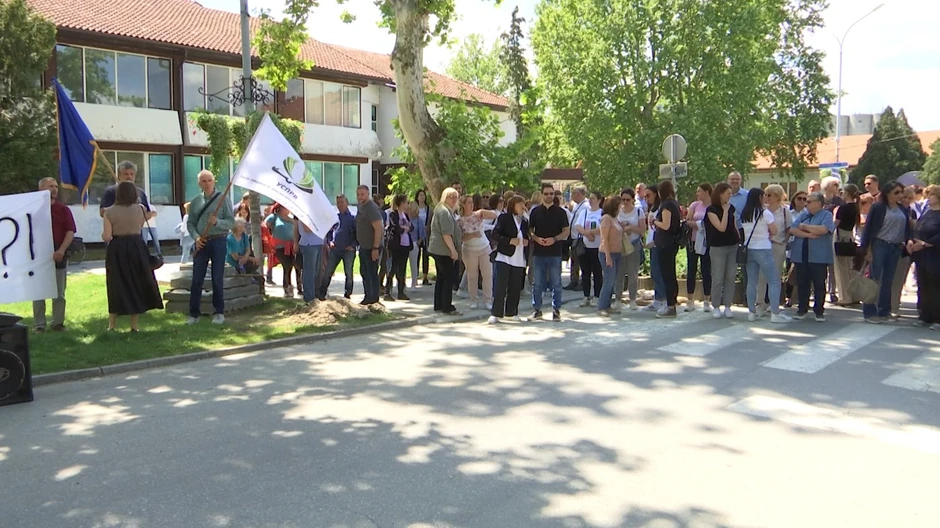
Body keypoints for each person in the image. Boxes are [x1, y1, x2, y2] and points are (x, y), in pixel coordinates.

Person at [102, 181, 163, 332]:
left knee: (116, 284)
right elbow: (141, 225)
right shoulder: (141, 209)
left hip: (117, 248)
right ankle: (134, 326)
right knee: (135, 282)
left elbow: (107, 236)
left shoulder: (109, 211)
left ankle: (112, 325)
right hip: (137, 246)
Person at [859, 181, 912, 324]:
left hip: (895, 246)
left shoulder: (902, 209)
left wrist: (909, 241)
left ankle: (884, 311)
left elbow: (907, 228)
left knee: (888, 280)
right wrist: (867, 248)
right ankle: (870, 312)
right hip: (879, 245)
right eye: (896, 192)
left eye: (901, 192)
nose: (900, 195)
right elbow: (869, 228)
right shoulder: (878, 207)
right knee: (875, 279)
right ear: (888, 193)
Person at [186, 170, 234, 325]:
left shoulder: (223, 199)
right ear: (199, 183)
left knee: (217, 277)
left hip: (218, 241)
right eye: (203, 181)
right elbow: (190, 223)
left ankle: (219, 312)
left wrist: (217, 222)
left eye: (209, 180)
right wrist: (196, 237)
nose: (207, 183)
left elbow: (231, 222)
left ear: (214, 181)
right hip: (202, 241)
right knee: (197, 278)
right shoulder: (195, 201)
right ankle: (194, 313)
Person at [32, 177, 76, 333]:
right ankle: (39, 325)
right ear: (41, 188)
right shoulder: (32, 210)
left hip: (58, 252)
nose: (54, 189)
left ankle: (57, 323)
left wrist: (62, 250)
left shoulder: (63, 210)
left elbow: (70, 232)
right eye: (50, 186)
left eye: (56, 186)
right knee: (38, 291)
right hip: (37, 255)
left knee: (59, 292)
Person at [741, 188, 791, 323]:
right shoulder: (765, 213)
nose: (765, 198)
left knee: (752, 281)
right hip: (763, 248)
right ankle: (775, 313)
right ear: (759, 197)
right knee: (774, 280)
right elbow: (774, 230)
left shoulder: (745, 213)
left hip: (749, 248)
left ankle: (752, 312)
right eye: (763, 196)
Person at [529, 182, 571, 322]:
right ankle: (537, 310)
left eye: (551, 194)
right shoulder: (535, 212)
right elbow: (530, 230)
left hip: (555, 251)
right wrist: (536, 238)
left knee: (556, 282)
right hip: (539, 252)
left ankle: (556, 310)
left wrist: (555, 239)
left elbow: (566, 231)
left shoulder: (560, 212)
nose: (549, 196)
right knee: (538, 283)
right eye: (546, 194)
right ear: (542, 195)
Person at [790, 192, 835, 321]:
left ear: (819, 204)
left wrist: (804, 227)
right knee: (802, 282)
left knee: (819, 284)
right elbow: (793, 229)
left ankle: (819, 310)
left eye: (809, 201)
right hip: (801, 254)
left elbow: (824, 229)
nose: (806, 204)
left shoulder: (826, 215)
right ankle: (802, 308)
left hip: (819, 256)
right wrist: (809, 234)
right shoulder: (803, 214)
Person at [99, 160, 159, 254]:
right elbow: (103, 212)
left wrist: (138, 213)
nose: (129, 176)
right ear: (119, 175)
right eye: (125, 174)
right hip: (117, 239)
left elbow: (146, 213)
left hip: (136, 239)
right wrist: (121, 210)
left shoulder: (140, 193)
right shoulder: (111, 192)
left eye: (131, 174)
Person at [489, 195, 529, 324]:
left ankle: (512, 312)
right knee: (500, 286)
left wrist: (527, 241)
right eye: (519, 204)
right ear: (513, 205)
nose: (522, 207)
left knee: (515, 286)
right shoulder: (504, 218)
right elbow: (495, 234)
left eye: (523, 204)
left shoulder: (524, 221)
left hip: (519, 258)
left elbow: (528, 234)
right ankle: (496, 313)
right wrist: (509, 241)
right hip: (505, 256)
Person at [457, 194, 499, 310]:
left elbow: (494, 215)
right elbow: (460, 238)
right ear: (463, 205)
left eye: (472, 202)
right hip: (469, 250)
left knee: (487, 275)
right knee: (472, 276)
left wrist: (482, 211)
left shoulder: (478, 215)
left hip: (484, 247)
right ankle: (473, 299)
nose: (471, 204)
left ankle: (487, 300)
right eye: (468, 202)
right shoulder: (459, 220)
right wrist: (472, 235)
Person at [705, 183, 739, 319]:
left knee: (730, 277)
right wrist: (725, 211)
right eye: (727, 194)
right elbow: (721, 227)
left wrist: (739, 239)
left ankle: (728, 305)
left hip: (732, 245)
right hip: (717, 246)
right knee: (718, 277)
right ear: (720, 194)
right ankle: (716, 305)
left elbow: (734, 225)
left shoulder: (732, 208)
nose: (730, 196)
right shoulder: (711, 210)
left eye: (731, 194)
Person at [909, 185, 940, 330]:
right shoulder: (927, 212)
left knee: (935, 285)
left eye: (932, 195)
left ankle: (937, 318)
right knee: (923, 284)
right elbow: (918, 228)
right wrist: (913, 241)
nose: (929, 198)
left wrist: (926, 243)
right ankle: (924, 314)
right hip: (921, 254)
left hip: (934, 254)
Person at [757, 184, 791, 315]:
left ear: (777, 196)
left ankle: (773, 303)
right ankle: (760, 303)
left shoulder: (784, 211)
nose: (766, 197)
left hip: (778, 245)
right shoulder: (762, 210)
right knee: (761, 275)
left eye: (769, 195)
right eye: (765, 195)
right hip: (763, 245)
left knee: (775, 275)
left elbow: (789, 228)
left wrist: (784, 242)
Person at [428, 187, 462, 315]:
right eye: (450, 197)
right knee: (448, 277)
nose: (453, 199)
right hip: (443, 250)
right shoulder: (444, 212)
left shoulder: (445, 210)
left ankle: (439, 304)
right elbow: (446, 234)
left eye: (455, 197)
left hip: (440, 249)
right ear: (444, 197)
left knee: (441, 278)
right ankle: (447, 306)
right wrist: (453, 251)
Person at [652, 181, 681, 318]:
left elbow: (666, 225)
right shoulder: (674, 203)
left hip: (665, 243)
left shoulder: (667, 205)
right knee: (670, 274)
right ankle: (671, 303)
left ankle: (670, 305)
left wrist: (654, 221)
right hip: (670, 243)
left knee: (667, 275)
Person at [320, 194, 357, 300]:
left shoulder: (353, 218)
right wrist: (330, 241)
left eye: (342, 202)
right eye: (338, 203)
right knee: (328, 271)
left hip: (348, 250)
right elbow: (328, 232)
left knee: (348, 272)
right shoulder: (334, 217)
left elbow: (358, 234)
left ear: (347, 203)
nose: (340, 205)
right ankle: (322, 293)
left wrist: (353, 245)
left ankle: (347, 294)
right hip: (335, 249)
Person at [616, 188, 646, 311]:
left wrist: (630, 228)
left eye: (628, 199)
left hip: (634, 244)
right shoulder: (617, 212)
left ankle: (632, 299)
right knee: (619, 273)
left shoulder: (638, 212)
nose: (625, 202)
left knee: (633, 273)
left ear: (633, 199)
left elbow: (642, 230)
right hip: (620, 244)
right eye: (623, 199)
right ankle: (618, 299)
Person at [573, 191, 604, 307]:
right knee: (585, 273)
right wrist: (586, 233)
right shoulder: (584, 212)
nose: (590, 200)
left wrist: (592, 232)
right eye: (589, 198)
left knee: (597, 273)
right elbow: (578, 226)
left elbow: (604, 227)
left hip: (598, 247)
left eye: (593, 198)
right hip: (585, 247)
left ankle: (597, 296)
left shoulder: (602, 213)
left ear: (599, 200)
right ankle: (586, 296)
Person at [685, 183, 713, 312]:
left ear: (707, 192)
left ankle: (707, 300)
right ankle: (690, 300)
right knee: (691, 269)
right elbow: (688, 221)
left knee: (706, 270)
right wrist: (698, 224)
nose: (697, 193)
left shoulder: (713, 206)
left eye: (699, 191)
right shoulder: (694, 205)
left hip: (707, 242)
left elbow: (712, 223)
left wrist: (699, 225)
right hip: (693, 241)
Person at [356, 185, 384, 305]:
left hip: (372, 247)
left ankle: (374, 299)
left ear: (368, 194)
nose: (360, 197)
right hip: (363, 246)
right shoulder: (360, 207)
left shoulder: (371, 208)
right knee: (364, 271)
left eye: (362, 194)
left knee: (372, 272)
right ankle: (368, 296)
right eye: (358, 194)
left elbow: (378, 228)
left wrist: (375, 248)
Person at [833, 184, 860, 306]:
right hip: (850, 235)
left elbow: (836, 224)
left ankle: (845, 297)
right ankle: (854, 295)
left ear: (847, 193)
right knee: (850, 268)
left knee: (841, 269)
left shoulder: (842, 208)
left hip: (840, 236)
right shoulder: (855, 207)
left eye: (842, 192)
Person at [265, 205, 300, 297]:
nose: (289, 209)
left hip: (292, 245)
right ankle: (287, 286)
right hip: (280, 246)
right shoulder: (274, 217)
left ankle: (299, 287)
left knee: (297, 265)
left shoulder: (292, 219)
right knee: (287, 265)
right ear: (280, 208)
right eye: (286, 207)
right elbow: (265, 226)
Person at [597, 195, 623, 316]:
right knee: (608, 280)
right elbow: (604, 238)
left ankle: (607, 305)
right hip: (607, 253)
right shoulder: (606, 219)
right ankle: (602, 306)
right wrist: (607, 256)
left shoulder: (615, 219)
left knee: (613, 281)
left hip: (617, 253)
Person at [385, 194, 414, 302]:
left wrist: (406, 228)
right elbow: (396, 227)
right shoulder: (394, 214)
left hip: (405, 245)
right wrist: (404, 228)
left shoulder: (405, 215)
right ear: (401, 203)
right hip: (396, 245)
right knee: (393, 267)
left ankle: (401, 291)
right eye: (406, 202)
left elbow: (411, 227)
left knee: (402, 269)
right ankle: (388, 291)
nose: (407, 205)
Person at [295, 216, 325, 305]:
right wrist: (320, 224)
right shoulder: (305, 213)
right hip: (309, 244)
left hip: (318, 243)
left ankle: (313, 295)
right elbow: (307, 229)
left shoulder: (314, 212)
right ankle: (309, 297)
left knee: (315, 271)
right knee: (309, 272)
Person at [565, 185, 588, 291]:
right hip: (574, 236)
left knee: (581, 260)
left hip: (581, 237)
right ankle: (574, 280)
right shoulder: (576, 205)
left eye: (574, 193)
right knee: (574, 259)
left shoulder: (586, 206)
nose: (572, 195)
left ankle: (582, 282)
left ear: (579, 194)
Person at [410, 189, 432, 287]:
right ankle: (416, 276)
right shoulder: (414, 207)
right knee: (416, 256)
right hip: (416, 234)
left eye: (423, 195)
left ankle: (425, 277)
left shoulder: (428, 209)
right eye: (420, 195)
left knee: (426, 256)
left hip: (426, 234)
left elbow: (431, 220)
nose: (422, 197)